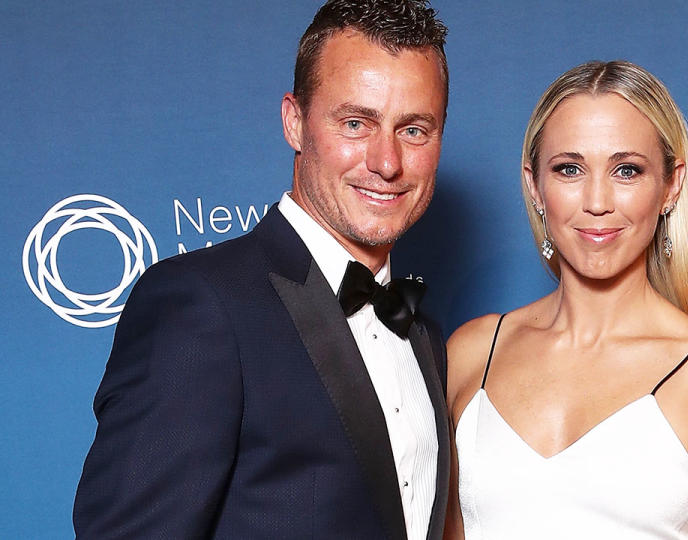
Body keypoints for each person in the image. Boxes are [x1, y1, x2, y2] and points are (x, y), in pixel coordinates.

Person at [73, 1, 450, 538]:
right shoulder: (200, 304)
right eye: (355, 122)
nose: (386, 161)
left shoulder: (426, 335)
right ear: (295, 123)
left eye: (414, 130)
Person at [445, 61, 688, 539]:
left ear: (670, 186)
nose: (597, 200)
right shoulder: (472, 352)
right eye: (569, 169)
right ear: (534, 185)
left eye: (626, 170)